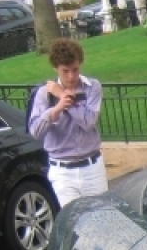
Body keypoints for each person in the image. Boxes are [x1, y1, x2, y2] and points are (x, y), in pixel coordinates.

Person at [28, 38, 108, 207]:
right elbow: (35, 131)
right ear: (56, 68)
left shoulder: (92, 87)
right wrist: (56, 109)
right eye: (65, 71)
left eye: (75, 70)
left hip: (92, 167)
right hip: (63, 171)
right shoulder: (44, 94)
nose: (71, 76)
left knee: (102, 218)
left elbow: (88, 122)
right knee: (74, 223)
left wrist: (64, 97)